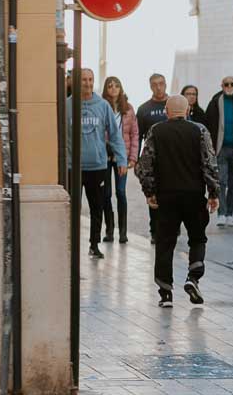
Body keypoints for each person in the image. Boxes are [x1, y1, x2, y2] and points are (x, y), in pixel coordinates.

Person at [135, 95, 219, 307]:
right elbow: (209, 163)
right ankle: (193, 277)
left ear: (166, 110)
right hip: (193, 195)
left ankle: (165, 293)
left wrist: (149, 191)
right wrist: (214, 192)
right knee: (198, 238)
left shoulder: (156, 131)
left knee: (165, 243)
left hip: (167, 196)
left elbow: (144, 166)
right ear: (188, 110)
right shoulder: (199, 131)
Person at [68, 69, 127, 259]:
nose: (87, 83)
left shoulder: (102, 106)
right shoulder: (67, 105)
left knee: (97, 208)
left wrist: (122, 159)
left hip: (97, 166)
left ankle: (94, 244)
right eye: (83, 80)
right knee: (70, 208)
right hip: (73, 167)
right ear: (77, 82)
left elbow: (115, 135)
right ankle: (69, 243)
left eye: (90, 80)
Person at [100, 76, 139, 243]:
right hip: (104, 157)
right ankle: (109, 230)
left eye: (116, 85)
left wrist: (132, 157)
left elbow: (134, 134)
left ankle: (123, 232)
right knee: (106, 194)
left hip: (122, 157)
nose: (113, 88)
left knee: (121, 192)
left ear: (121, 88)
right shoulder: (102, 107)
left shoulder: (128, 109)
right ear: (106, 89)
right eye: (110, 86)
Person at [204, 74, 233, 227]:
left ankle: (229, 214)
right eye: (226, 84)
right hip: (220, 149)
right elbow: (207, 124)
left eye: (232, 84)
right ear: (221, 86)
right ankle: (221, 213)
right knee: (221, 181)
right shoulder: (215, 102)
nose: (229, 87)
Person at [136, 73, 170, 241]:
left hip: (173, 158)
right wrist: (135, 160)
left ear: (165, 84)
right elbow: (138, 135)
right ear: (150, 86)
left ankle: (171, 226)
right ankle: (155, 230)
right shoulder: (144, 109)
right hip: (153, 159)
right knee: (153, 193)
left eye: (161, 84)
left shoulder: (174, 104)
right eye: (155, 84)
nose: (158, 87)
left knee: (172, 193)